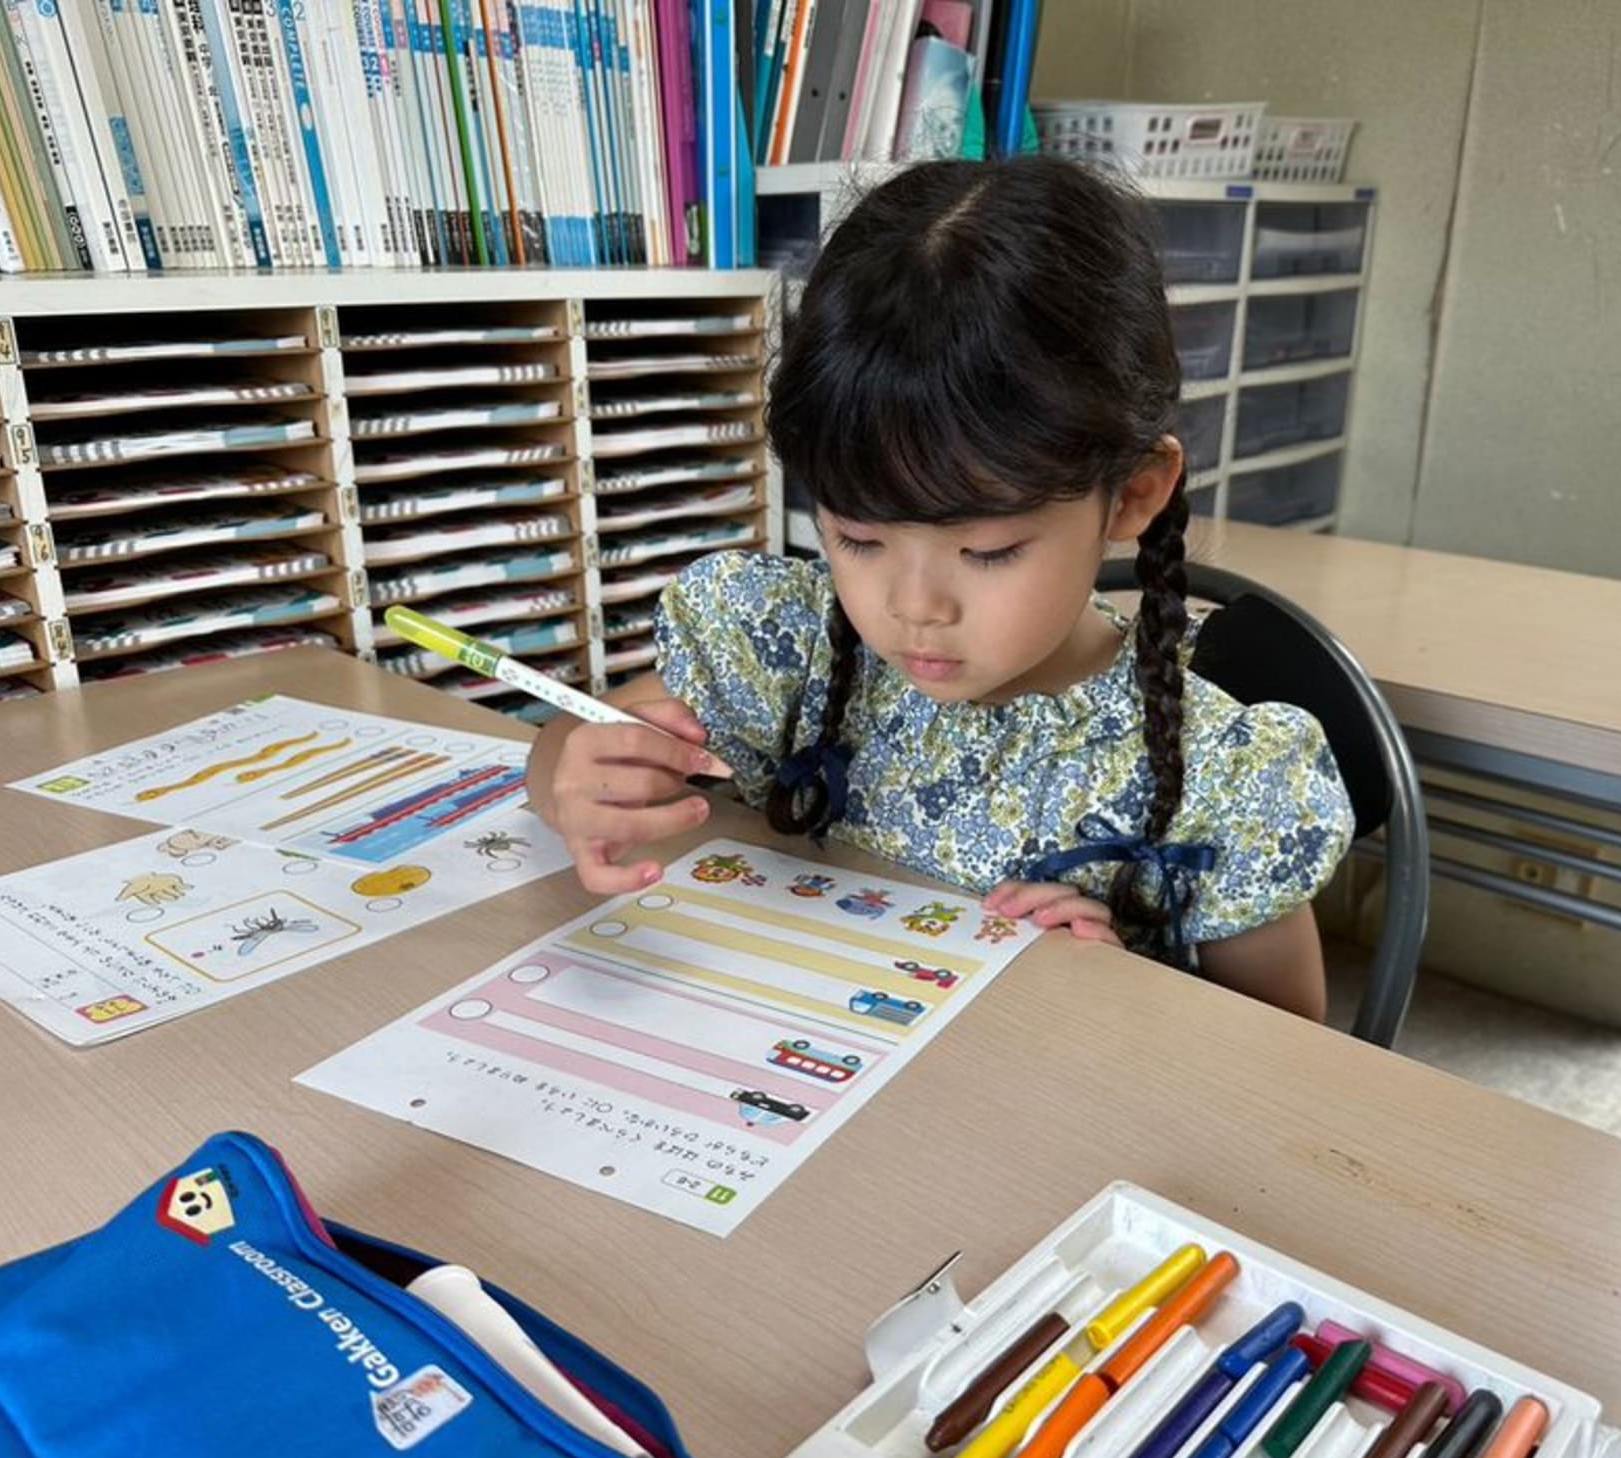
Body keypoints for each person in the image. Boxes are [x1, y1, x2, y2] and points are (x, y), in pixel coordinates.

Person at [527, 158, 1352, 1019]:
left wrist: (1119, 992)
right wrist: (576, 780)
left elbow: (1292, 1043)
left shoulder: (1220, 780)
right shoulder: (785, 649)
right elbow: (573, 744)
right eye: (858, 537)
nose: (913, 607)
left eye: (987, 551)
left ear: (1133, 494)